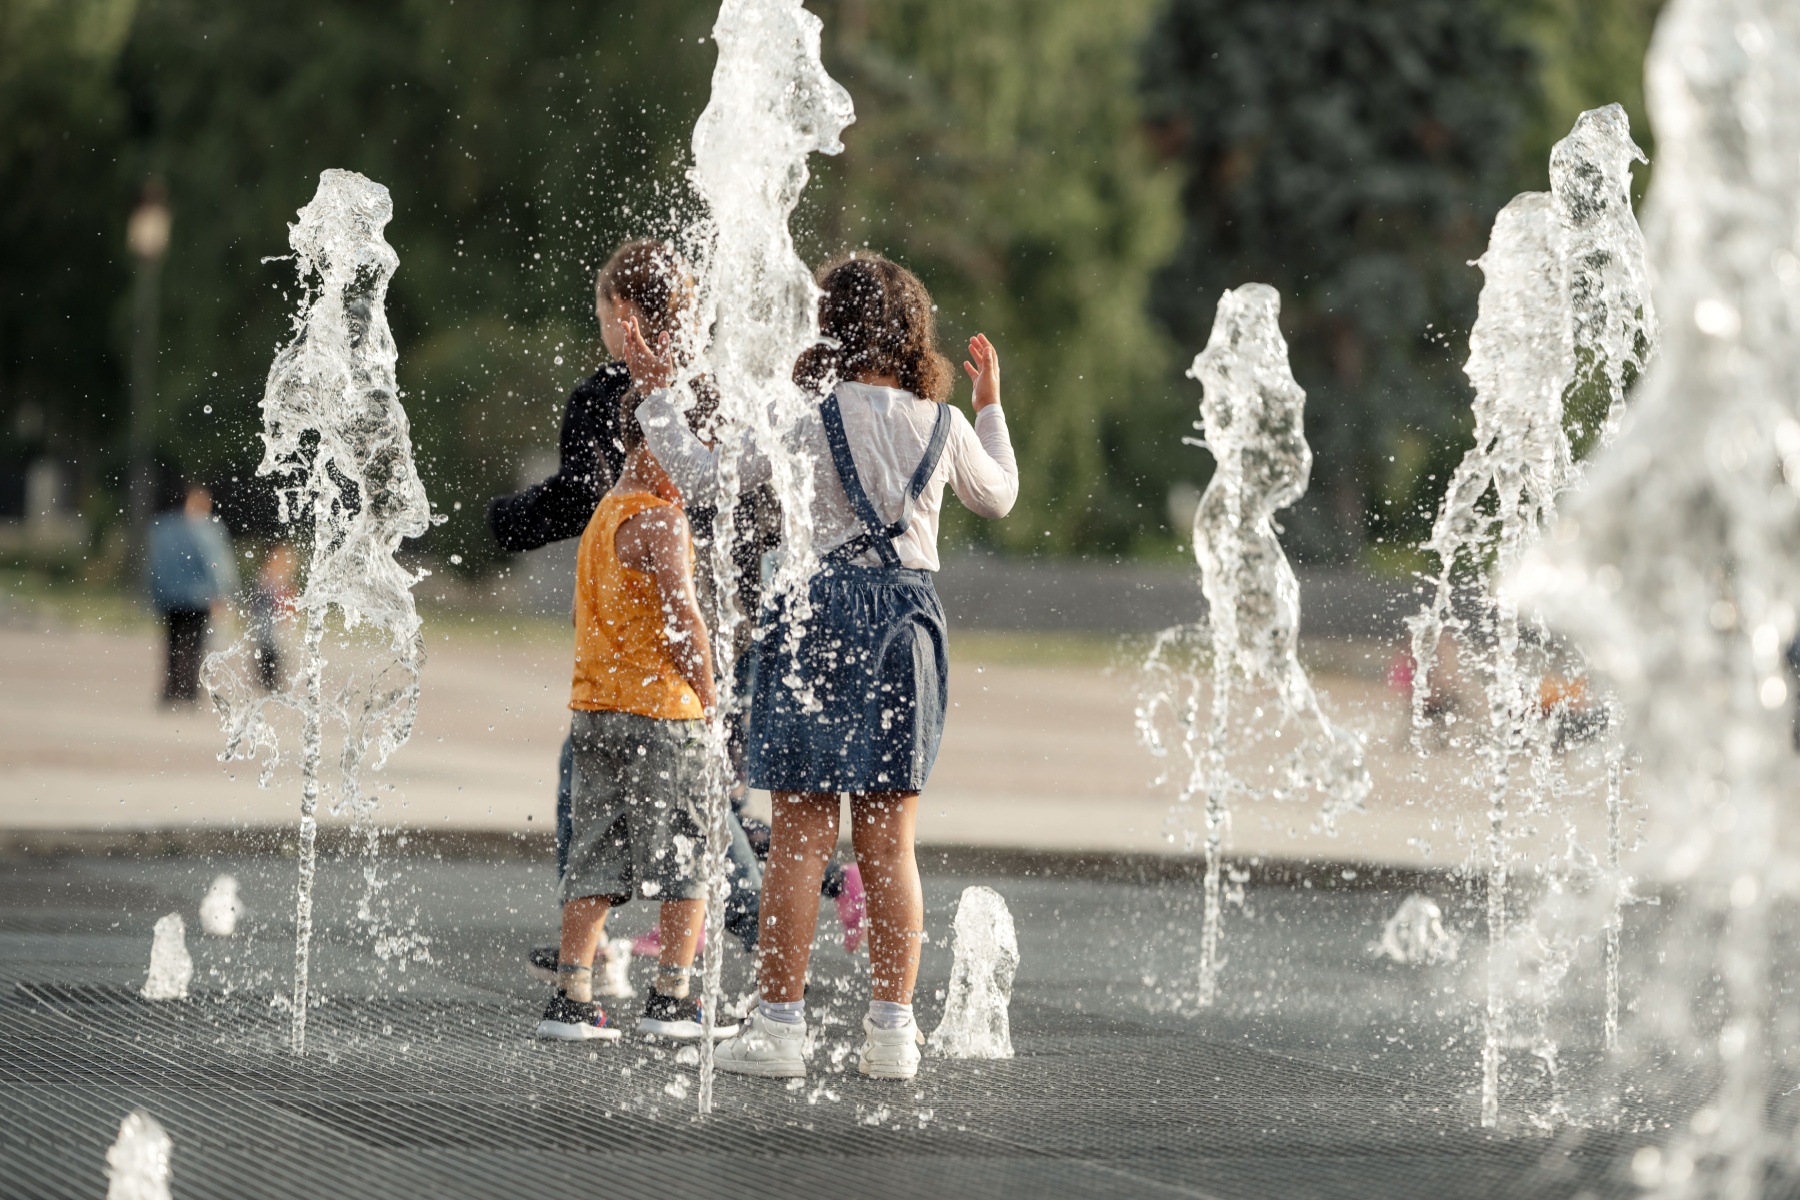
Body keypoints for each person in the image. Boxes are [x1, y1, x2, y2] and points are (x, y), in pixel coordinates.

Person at [632, 252, 1018, 1080]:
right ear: (915, 331)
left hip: (817, 615)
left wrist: (659, 392)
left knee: (803, 836)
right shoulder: (942, 423)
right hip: (908, 622)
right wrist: (989, 406)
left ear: (829, 327)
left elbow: (701, 481)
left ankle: (779, 1029)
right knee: (891, 843)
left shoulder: (801, 416)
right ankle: (892, 1036)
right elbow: (999, 497)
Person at [490, 240, 860, 985]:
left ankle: (639, 947)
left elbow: (581, 493)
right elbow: (761, 499)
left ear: (622, 316)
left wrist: (504, 521)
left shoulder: (608, 396)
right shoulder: (721, 388)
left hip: (653, 639)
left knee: (614, 786)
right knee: (700, 787)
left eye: (602, 312)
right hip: (732, 616)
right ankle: (739, 921)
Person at [535, 391, 738, 1043]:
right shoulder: (660, 522)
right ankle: (673, 1000)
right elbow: (685, 623)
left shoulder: (602, 518)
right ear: (654, 442)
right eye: (695, 451)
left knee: (594, 850)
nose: (703, 469)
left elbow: (578, 618)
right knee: (691, 850)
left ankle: (572, 998)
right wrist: (712, 703)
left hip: (594, 710)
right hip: (662, 712)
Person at [146, 484, 239, 706]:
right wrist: (223, 594)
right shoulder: (207, 529)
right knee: (195, 644)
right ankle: (188, 690)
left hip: (171, 596)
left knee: (172, 643)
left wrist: (155, 592)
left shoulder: (164, 527)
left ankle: (171, 689)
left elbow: (155, 564)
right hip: (200, 596)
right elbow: (217, 564)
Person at [246, 543, 297, 691]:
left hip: (274, 630)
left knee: (275, 658)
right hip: (265, 629)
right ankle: (267, 685)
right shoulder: (265, 578)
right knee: (266, 656)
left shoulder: (280, 580)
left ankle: (271, 685)